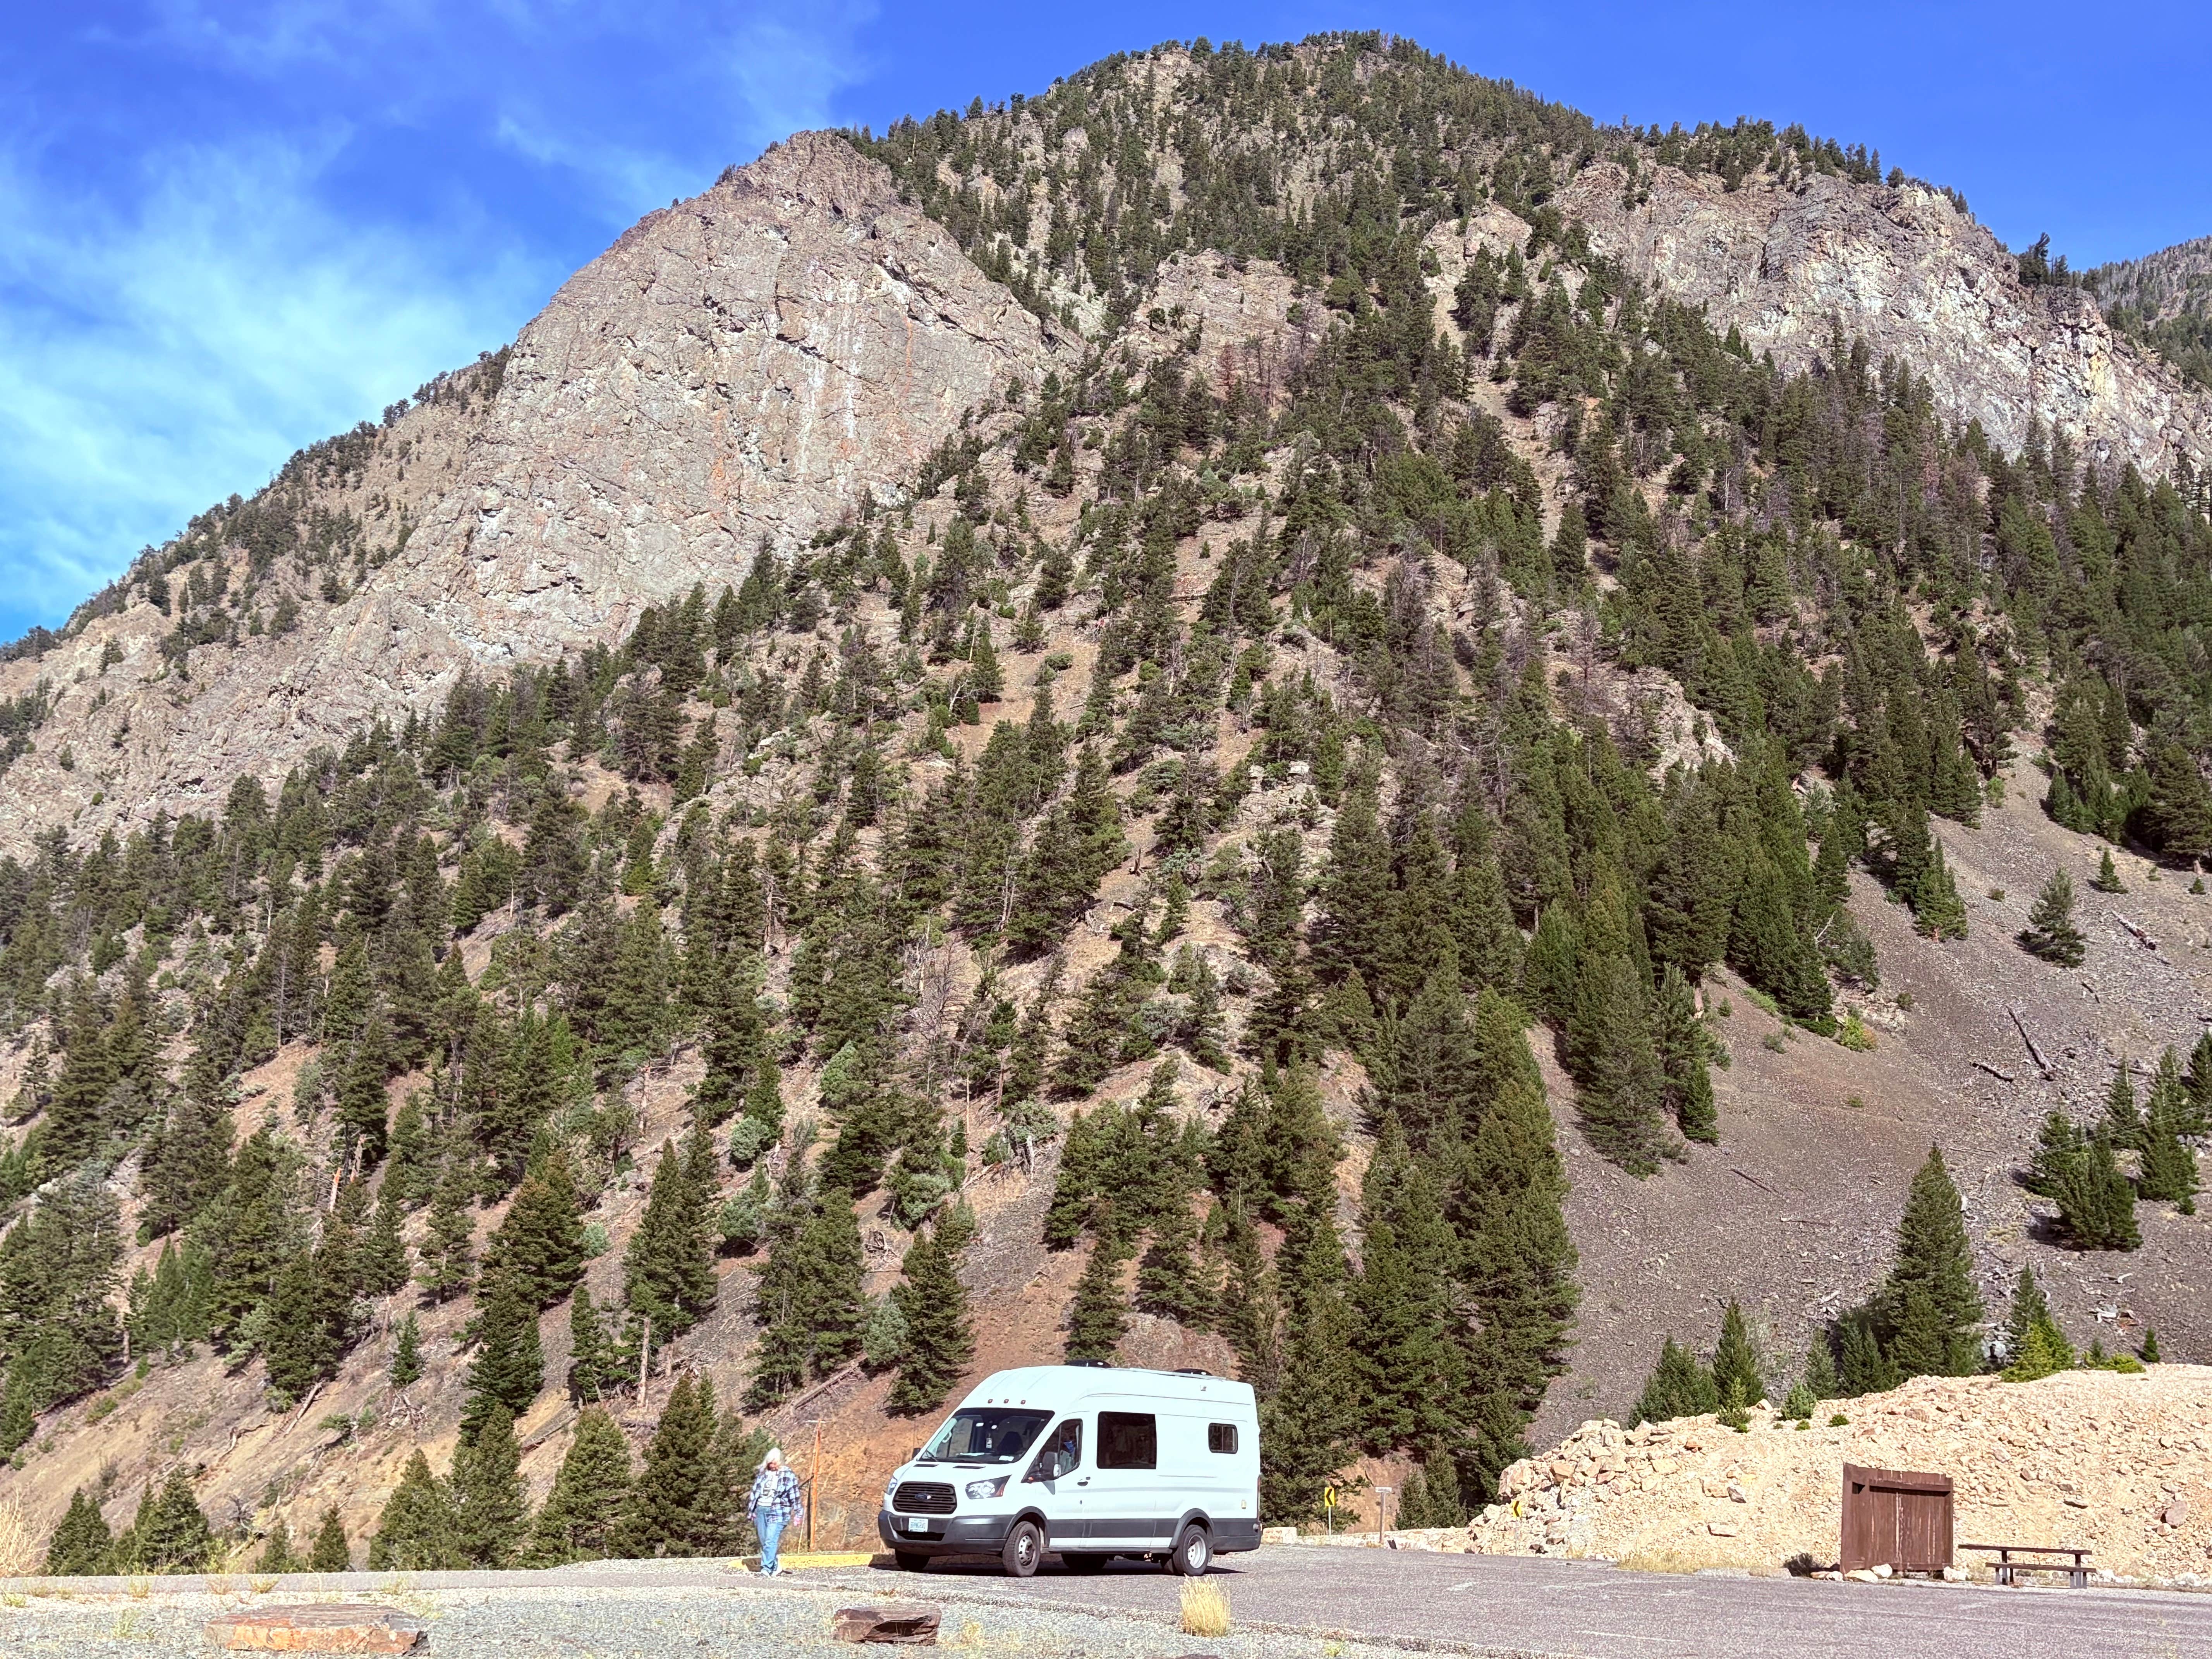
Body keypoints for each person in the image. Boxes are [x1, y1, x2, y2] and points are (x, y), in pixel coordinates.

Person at [748, 1447, 803, 1575]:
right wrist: (752, 1511)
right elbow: (755, 1493)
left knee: (770, 1540)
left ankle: (766, 1569)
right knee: (764, 1541)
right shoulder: (762, 1474)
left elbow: (794, 1495)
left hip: (778, 1512)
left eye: (775, 1463)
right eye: (770, 1463)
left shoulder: (788, 1475)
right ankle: (775, 1564)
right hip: (761, 1510)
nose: (772, 1466)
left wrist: (798, 1514)